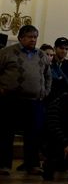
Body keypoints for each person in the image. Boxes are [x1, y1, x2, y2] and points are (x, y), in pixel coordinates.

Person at [0, 25, 52, 176]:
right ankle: (3, 165)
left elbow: (48, 76)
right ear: (21, 38)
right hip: (10, 100)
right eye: (30, 36)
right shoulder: (6, 53)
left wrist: (45, 91)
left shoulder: (42, 55)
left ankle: (32, 165)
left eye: (35, 37)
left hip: (35, 101)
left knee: (33, 134)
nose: (33, 39)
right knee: (6, 133)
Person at [50, 37, 68, 101]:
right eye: (61, 48)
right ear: (55, 48)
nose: (64, 51)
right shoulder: (48, 64)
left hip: (63, 101)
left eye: (66, 49)